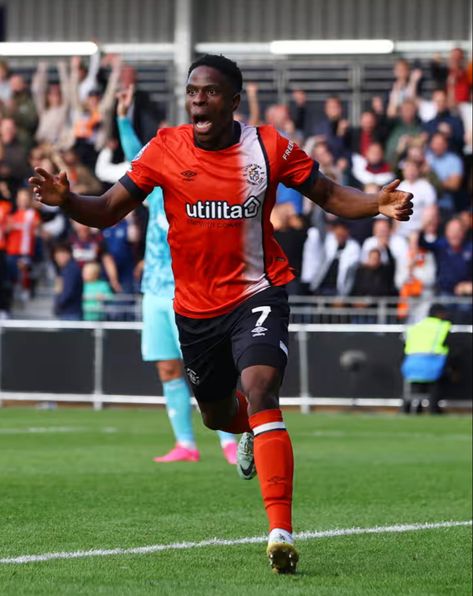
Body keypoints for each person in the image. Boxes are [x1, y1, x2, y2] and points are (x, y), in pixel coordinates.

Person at [29, 53, 413, 574]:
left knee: (260, 387)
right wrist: (68, 200)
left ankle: (280, 531)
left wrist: (376, 204)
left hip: (258, 293)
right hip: (194, 310)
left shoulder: (269, 146)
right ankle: (248, 428)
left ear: (233, 101)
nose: (197, 100)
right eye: (192, 91)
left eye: (209, 91)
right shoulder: (164, 148)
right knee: (215, 413)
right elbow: (107, 210)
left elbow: (325, 194)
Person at [116, 86, 238, 463]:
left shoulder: (195, 185)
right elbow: (135, 153)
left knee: (210, 369)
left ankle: (230, 441)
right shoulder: (152, 191)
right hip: (154, 291)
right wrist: (123, 118)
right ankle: (185, 443)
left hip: (192, 290)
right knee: (168, 367)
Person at [401, 304, 452, 414]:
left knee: (415, 386)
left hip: (410, 365)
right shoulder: (442, 326)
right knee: (436, 383)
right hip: (432, 364)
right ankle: (433, 409)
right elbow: (450, 345)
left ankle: (409, 408)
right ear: (439, 314)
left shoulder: (415, 326)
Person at [52, 242, 83, 321]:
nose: (58, 258)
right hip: (69, 313)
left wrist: (58, 305)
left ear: (68, 254)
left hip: (71, 314)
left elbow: (67, 292)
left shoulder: (70, 269)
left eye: (60, 254)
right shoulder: (66, 269)